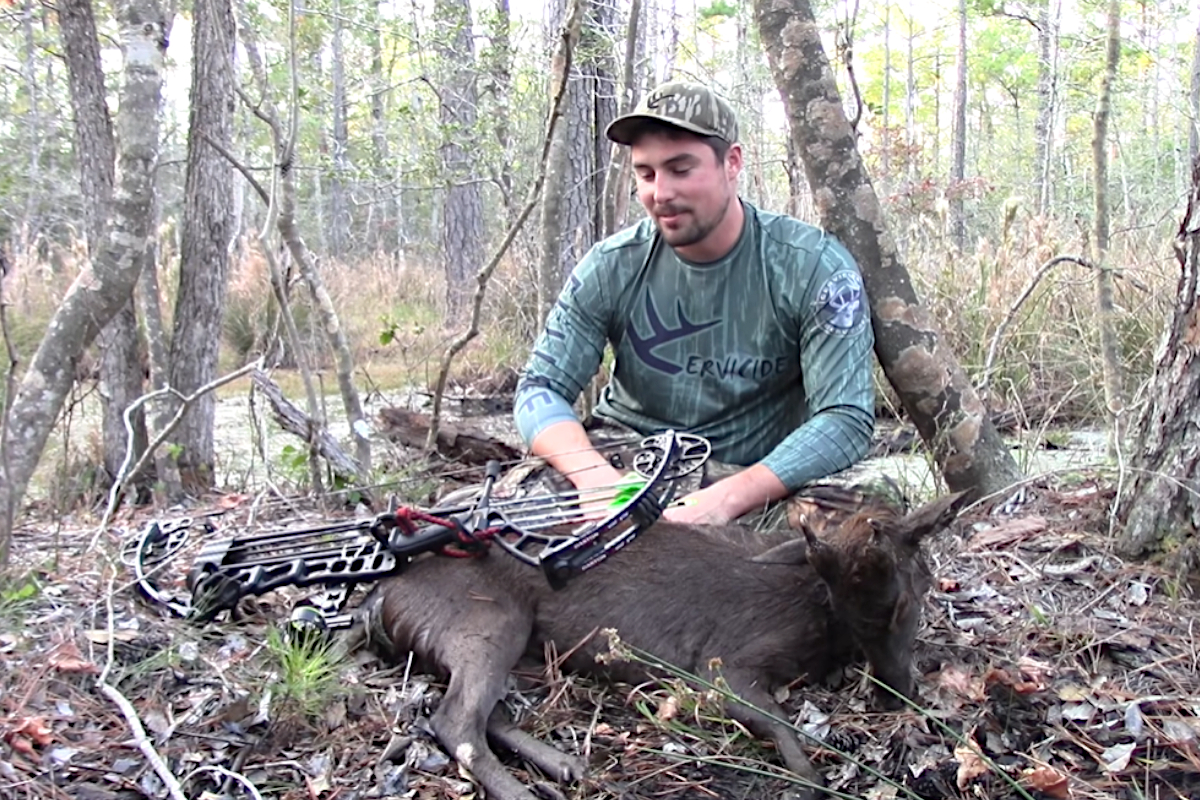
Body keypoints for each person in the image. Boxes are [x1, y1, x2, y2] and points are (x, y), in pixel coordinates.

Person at [513, 80, 875, 525]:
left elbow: (845, 417)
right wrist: (592, 477)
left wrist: (729, 497)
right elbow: (540, 388)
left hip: (754, 475)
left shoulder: (809, 266)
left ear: (732, 163)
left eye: (680, 170)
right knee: (476, 528)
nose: (660, 194)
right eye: (646, 174)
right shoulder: (611, 266)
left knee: (867, 525)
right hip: (627, 460)